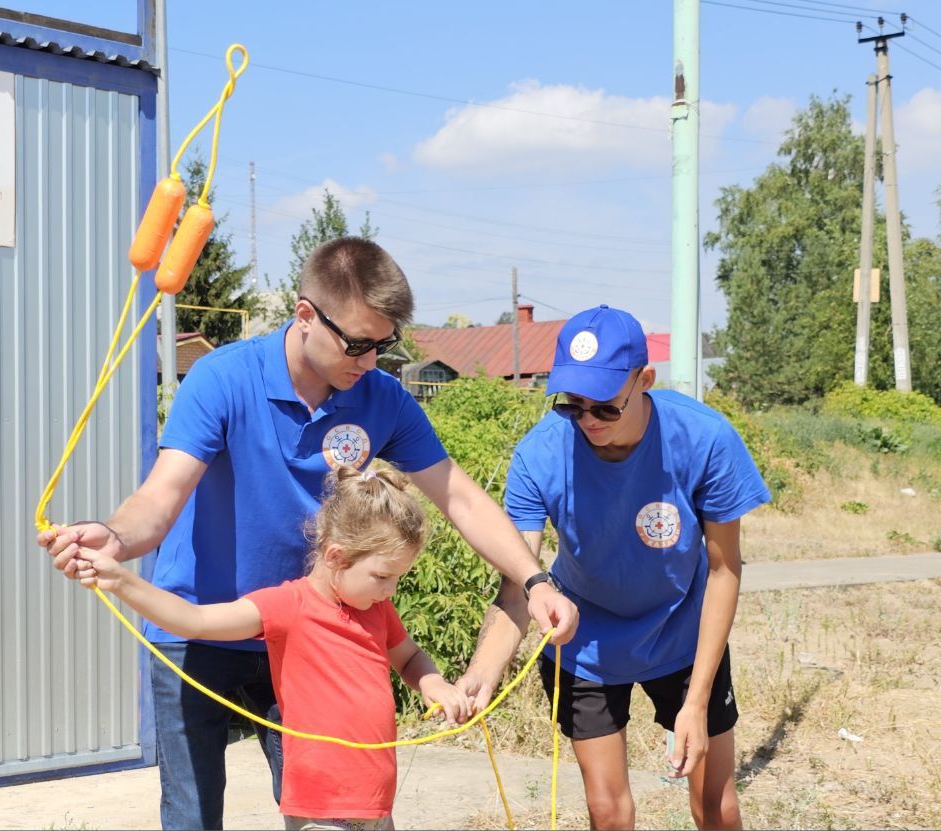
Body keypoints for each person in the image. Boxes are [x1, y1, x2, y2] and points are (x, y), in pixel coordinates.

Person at [38, 237, 578, 830]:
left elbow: (461, 499)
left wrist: (534, 581)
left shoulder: (383, 399)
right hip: (198, 626)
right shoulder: (222, 379)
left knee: (329, 812)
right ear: (304, 316)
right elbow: (160, 498)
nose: (370, 361)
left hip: (305, 636)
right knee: (191, 816)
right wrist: (114, 538)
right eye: (358, 344)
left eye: (384, 344)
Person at [458, 304, 771, 830]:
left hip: (683, 638)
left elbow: (724, 572)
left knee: (716, 807)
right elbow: (518, 588)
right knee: (608, 813)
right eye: (571, 405)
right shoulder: (539, 456)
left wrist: (695, 702)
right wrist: (481, 674)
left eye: (604, 407)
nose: (586, 421)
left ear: (644, 380)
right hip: (586, 643)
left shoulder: (704, 440)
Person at [78, 464, 472, 831]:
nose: (391, 590)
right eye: (383, 576)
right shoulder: (288, 606)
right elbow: (193, 620)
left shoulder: (377, 609)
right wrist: (120, 581)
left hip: (376, 805)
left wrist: (433, 684)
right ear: (336, 555)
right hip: (321, 810)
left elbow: (408, 657)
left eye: (398, 578)